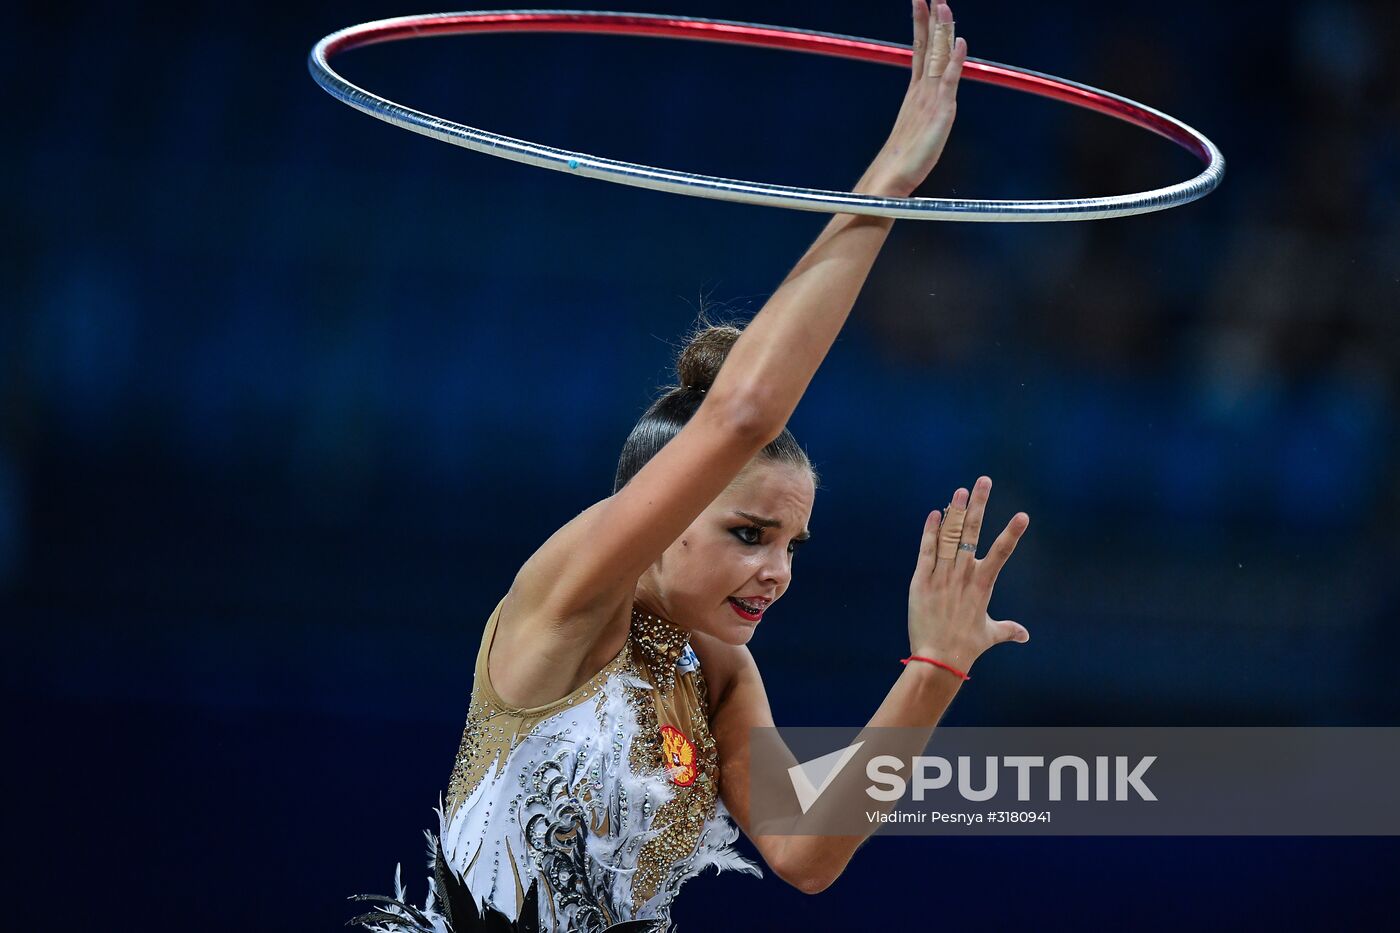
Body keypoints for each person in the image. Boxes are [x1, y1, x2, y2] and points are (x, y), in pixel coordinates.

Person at [349, 3, 1030, 931]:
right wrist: (891, 181)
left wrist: (936, 667)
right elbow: (744, 414)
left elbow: (808, 852)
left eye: (792, 542)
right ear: (660, 518)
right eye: (749, 532)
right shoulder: (564, 600)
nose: (778, 571)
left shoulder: (716, 674)